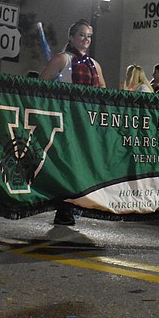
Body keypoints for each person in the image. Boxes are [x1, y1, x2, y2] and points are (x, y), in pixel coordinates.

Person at [39, 19, 106, 225]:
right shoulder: (62, 60)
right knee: (67, 166)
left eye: (88, 36)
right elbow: (40, 86)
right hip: (66, 122)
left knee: (82, 166)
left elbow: (104, 92)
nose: (86, 39)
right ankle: (63, 209)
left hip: (87, 122)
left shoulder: (95, 65)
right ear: (71, 37)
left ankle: (76, 205)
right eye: (81, 35)